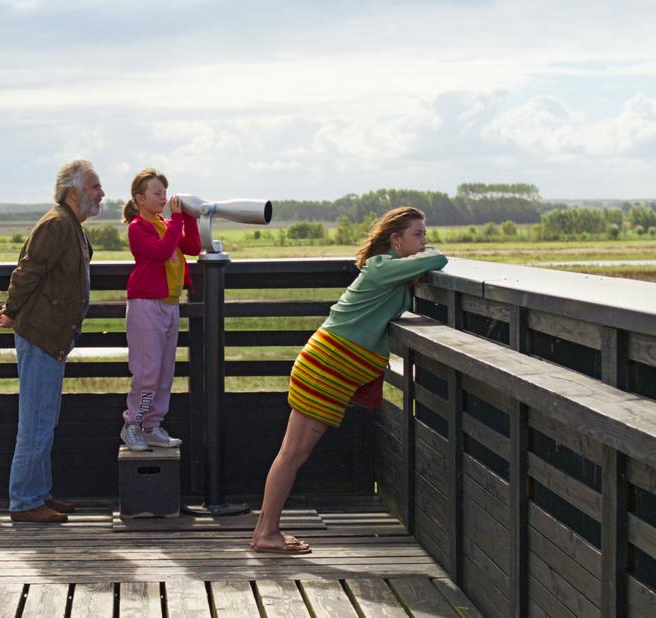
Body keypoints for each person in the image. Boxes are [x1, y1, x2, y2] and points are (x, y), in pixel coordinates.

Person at [251, 206, 448, 553]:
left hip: (330, 367)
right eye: (417, 235)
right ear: (396, 240)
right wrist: (422, 260)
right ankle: (266, 533)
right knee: (292, 454)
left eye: (425, 235)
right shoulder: (382, 267)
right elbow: (439, 259)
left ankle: (265, 531)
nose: (424, 241)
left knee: (291, 453)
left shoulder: (390, 270)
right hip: (326, 368)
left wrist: (412, 269)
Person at [0, 159, 104, 523]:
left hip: (50, 336)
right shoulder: (57, 224)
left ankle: (38, 494)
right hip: (41, 335)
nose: (101, 193)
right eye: (94, 187)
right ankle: (25, 501)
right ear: (73, 192)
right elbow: (27, 271)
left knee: (44, 420)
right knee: (36, 423)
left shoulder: (68, 224)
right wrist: (12, 309)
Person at [120, 168, 202, 450]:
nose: (163, 198)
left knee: (165, 371)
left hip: (169, 303)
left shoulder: (166, 224)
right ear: (139, 199)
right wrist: (178, 219)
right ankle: (133, 424)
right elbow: (162, 251)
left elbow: (192, 247)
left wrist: (189, 217)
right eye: (156, 193)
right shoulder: (138, 228)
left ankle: (152, 425)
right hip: (146, 305)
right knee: (148, 371)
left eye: (165, 193)